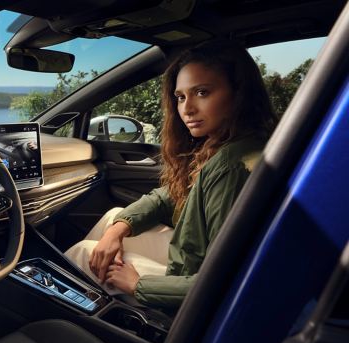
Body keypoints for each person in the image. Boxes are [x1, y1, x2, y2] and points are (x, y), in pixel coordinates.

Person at [65, 40, 277, 310]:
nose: (187, 109)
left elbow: (226, 281)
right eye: (180, 97)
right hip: (193, 261)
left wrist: (137, 285)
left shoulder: (229, 166)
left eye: (202, 92)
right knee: (112, 219)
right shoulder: (235, 144)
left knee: (82, 253)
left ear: (239, 94)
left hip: (194, 294)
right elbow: (167, 196)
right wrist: (117, 230)